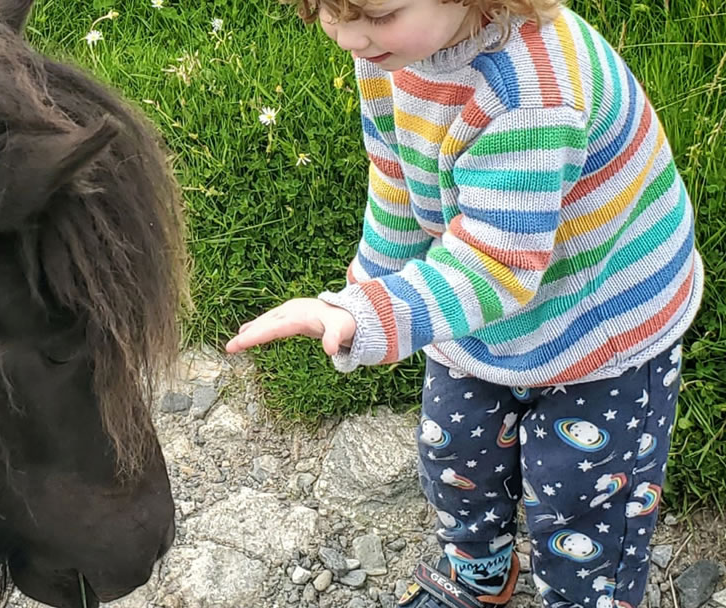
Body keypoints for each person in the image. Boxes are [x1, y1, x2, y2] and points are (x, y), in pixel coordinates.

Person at [224, 1, 705, 608]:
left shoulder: (529, 95)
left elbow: (496, 268)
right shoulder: (395, 49)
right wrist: (368, 289)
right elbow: (397, 173)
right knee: (455, 450)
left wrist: (373, 318)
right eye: (326, 10)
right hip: (484, 298)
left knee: (580, 500)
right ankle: (480, 574)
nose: (348, 37)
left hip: (602, 320)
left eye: (376, 12)